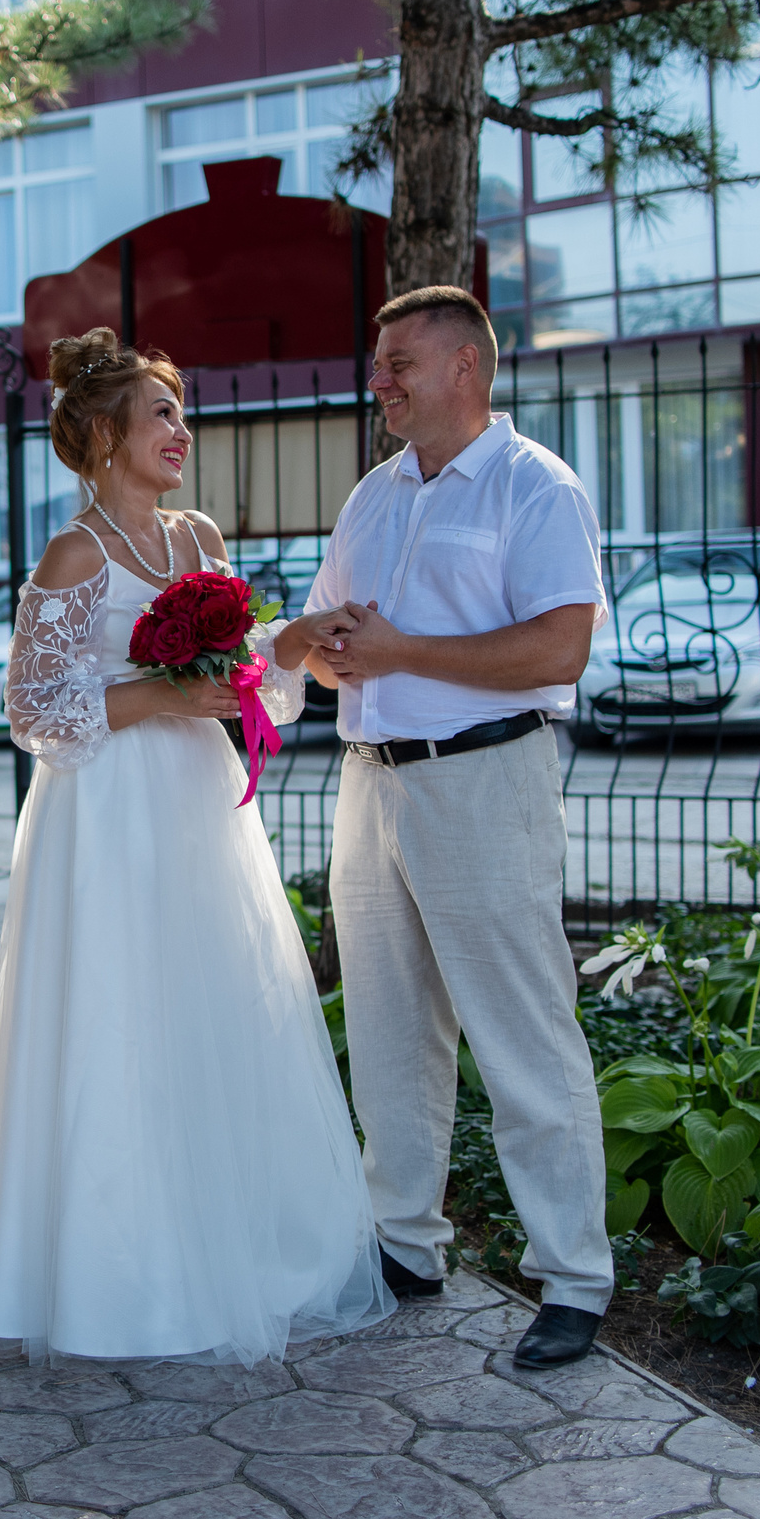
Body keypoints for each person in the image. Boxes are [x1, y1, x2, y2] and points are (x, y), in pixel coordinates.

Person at [0, 327, 393, 1365]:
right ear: (104, 435)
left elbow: (240, 674)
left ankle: (235, 1243)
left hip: (198, 801)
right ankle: (109, 1274)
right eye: (161, 413)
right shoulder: (75, 554)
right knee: (113, 1010)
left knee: (210, 1002)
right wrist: (157, 696)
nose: (182, 430)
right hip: (103, 814)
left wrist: (291, 642)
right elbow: (32, 709)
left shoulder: (198, 538)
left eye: (182, 412)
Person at [298, 285, 616, 1370]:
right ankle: (405, 1245)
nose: (378, 379)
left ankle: (573, 1277)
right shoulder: (373, 494)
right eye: (378, 362)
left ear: (465, 366)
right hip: (370, 782)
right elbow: (326, 641)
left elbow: (559, 649)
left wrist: (401, 650)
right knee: (389, 1031)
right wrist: (328, 645)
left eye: (398, 361)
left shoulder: (536, 485)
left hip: (484, 779)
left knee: (523, 1032)